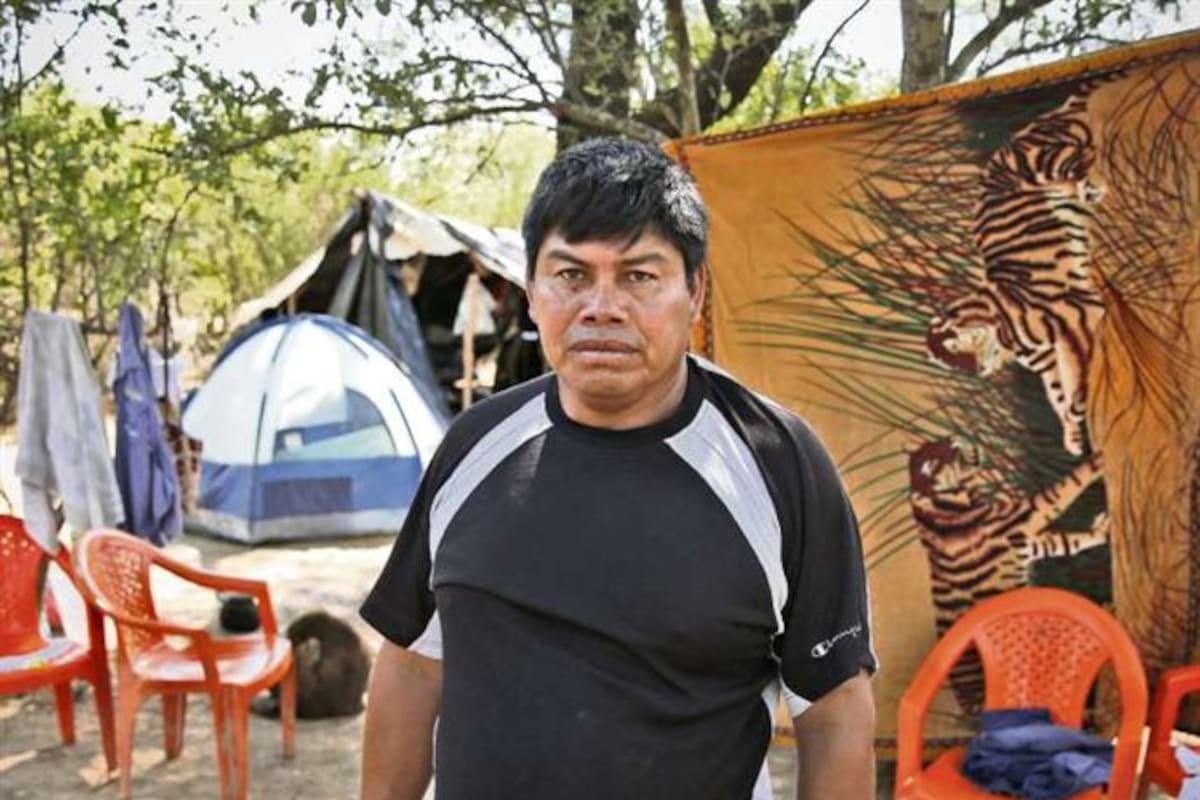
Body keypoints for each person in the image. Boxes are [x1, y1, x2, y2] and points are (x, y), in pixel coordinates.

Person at [360, 138, 878, 800]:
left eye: (639, 276)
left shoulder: (776, 463)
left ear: (694, 294)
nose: (601, 307)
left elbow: (833, 705)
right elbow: (412, 662)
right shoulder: (474, 445)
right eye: (572, 275)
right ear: (531, 292)